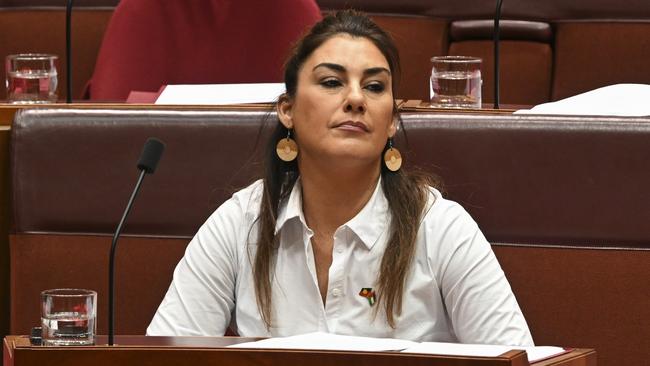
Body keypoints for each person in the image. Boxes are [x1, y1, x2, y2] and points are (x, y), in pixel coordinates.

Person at [147, 10, 534, 346]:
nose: (356, 99)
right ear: (288, 110)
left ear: (392, 122)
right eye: (332, 82)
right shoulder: (241, 221)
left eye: (375, 86)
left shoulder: (439, 227)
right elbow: (164, 356)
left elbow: (518, 359)